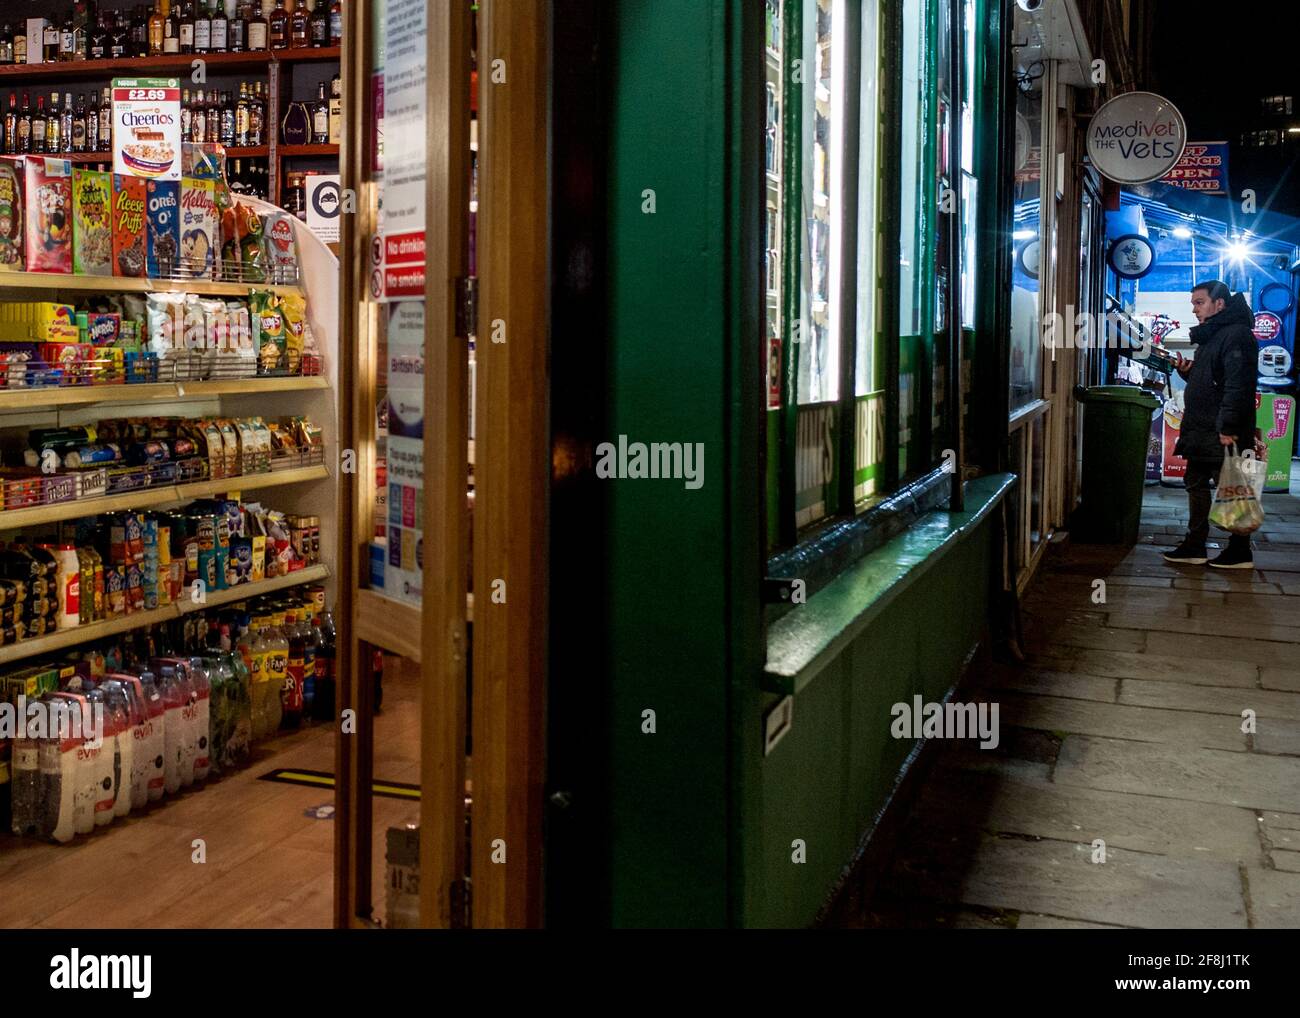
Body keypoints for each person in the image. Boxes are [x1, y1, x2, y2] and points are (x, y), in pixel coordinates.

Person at [1163, 280, 1261, 569]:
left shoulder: (1236, 335)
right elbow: (1213, 382)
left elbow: (1238, 386)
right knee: (1197, 482)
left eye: (1199, 302)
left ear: (1219, 304)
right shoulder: (1215, 335)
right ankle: (1196, 544)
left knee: (1231, 487)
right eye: (1193, 303)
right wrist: (1188, 374)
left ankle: (1239, 549)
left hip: (1220, 430)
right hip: (1204, 428)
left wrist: (1228, 427)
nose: (1194, 309)